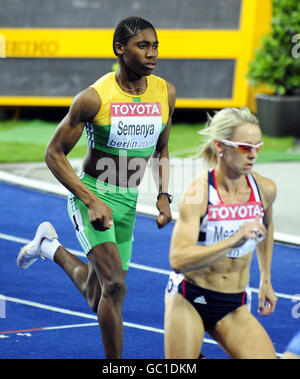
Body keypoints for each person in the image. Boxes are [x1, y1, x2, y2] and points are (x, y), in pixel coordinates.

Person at [17, 16, 176, 359]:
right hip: (93, 195)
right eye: (143, 46)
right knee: (115, 288)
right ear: (120, 49)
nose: (153, 54)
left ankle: (49, 247)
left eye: (155, 46)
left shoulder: (165, 92)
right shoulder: (94, 98)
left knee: (98, 295)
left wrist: (164, 195)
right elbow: (53, 153)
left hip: (128, 202)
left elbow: (162, 149)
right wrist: (90, 201)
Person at [164, 107, 278, 359]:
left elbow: (267, 227)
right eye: (244, 148)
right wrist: (234, 240)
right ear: (220, 146)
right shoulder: (198, 194)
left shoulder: (265, 189)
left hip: (233, 302)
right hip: (190, 296)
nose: (253, 155)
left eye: (257, 147)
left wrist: (266, 279)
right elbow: (177, 260)